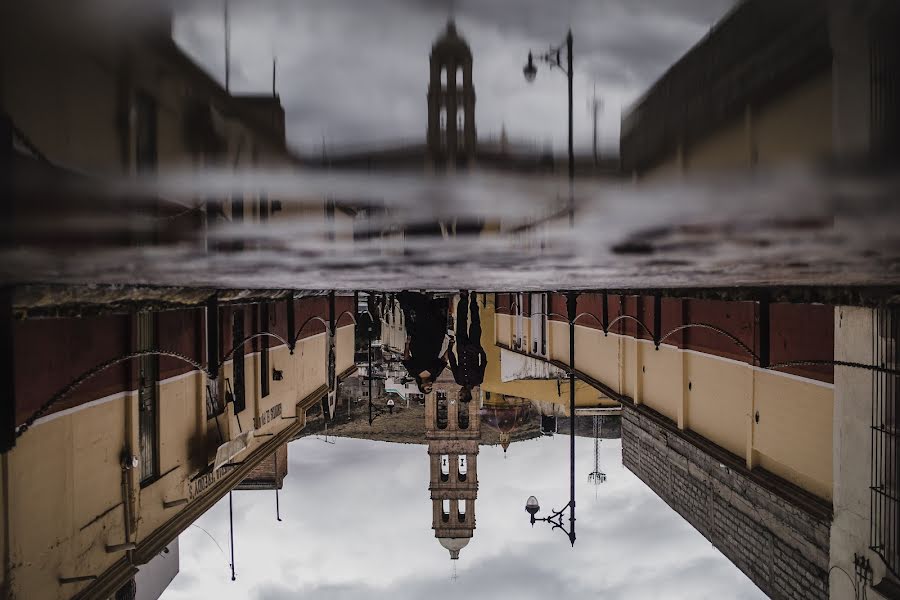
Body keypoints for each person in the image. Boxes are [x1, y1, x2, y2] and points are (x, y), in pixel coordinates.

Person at [398, 291, 449, 394]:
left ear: (421, 385)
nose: (430, 386)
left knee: (420, 321)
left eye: (427, 388)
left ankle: (422, 299)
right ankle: (430, 300)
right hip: (434, 343)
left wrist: (407, 344)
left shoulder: (413, 372)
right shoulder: (435, 373)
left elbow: (407, 358)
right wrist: (451, 346)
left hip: (418, 343)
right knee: (435, 322)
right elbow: (444, 359)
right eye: (431, 388)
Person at [448, 292, 487, 401]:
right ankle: (473, 302)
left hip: (461, 346)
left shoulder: (458, 380)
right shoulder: (478, 380)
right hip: (474, 347)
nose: (459, 393)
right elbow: (483, 363)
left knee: (461, 321)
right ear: (467, 394)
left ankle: (464, 298)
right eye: (461, 395)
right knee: (475, 323)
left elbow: (453, 363)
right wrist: (480, 350)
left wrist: (450, 348)